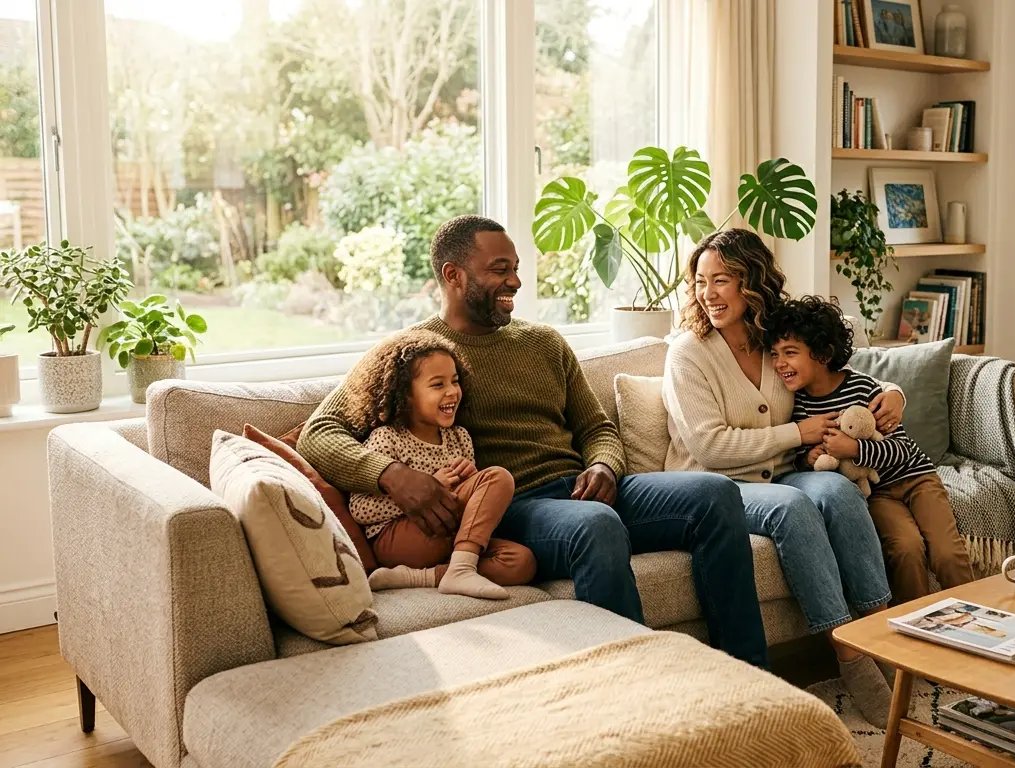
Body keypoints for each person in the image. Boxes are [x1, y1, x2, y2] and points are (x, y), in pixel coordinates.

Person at [300, 215, 769, 668]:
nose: (516, 282)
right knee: (596, 526)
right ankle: (631, 686)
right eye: (500, 269)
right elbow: (319, 433)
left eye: (517, 268)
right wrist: (392, 476)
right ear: (453, 275)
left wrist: (605, 465)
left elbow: (596, 428)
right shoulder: (415, 353)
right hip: (512, 505)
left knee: (715, 494)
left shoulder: (544, 342)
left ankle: (746, 672)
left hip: (584, 488)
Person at [659, 227, 901, 728]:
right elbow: (711, 447)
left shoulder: (776, 337)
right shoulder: (688, 352)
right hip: (715, 487)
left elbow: (843, 371)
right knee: (792, 509)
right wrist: (797, 431)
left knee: (836, 489)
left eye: (721, 280)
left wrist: (894, 393)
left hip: (786, 475)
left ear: (751, 282)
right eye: (700, 281)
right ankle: (848, 654)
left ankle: (878, 633)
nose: (708, 293)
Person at [766, 296, 975, 604]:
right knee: (904, 549)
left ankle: (977, 617)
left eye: (790, 353)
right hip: (875, 494)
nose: (779, 363)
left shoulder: (863, 389)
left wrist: (853, 448)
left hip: (917, 479)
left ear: (822, 354)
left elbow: (900, 450)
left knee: (947, 551)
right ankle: (917, 631)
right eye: (774, 354)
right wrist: (807, 459)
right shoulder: (796, 406)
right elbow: (801, 457)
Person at [342, 329, 535, 599]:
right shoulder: (387, 438)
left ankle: (426, 576)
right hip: (399, 538)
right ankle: (461, 569)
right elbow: (361, 510)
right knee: (498, 477)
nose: (452, 392)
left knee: (520, 562)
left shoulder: (459, 438)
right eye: (437, 384)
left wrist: (471, 482)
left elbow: (469, 509)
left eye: (454, 381)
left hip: (448, 537)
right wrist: (432, 487)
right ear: (405, 395)